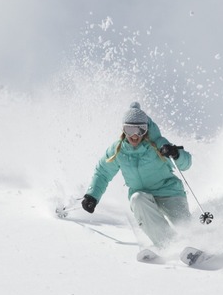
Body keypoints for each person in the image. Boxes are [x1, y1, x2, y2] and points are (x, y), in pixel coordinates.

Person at [82, 102, 192, 252]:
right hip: (143, 197)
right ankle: (169, 244)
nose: (134, 135)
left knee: (186, 228)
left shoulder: (157, 144)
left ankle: (196, 245)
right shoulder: (118, 150)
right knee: (136, 199)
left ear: (146, 130)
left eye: (140, 130)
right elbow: (103, 172)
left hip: (170, 193)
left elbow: (186, 164)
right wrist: (92, 196)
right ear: (123, 130)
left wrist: (175, 154)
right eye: (129, 129)